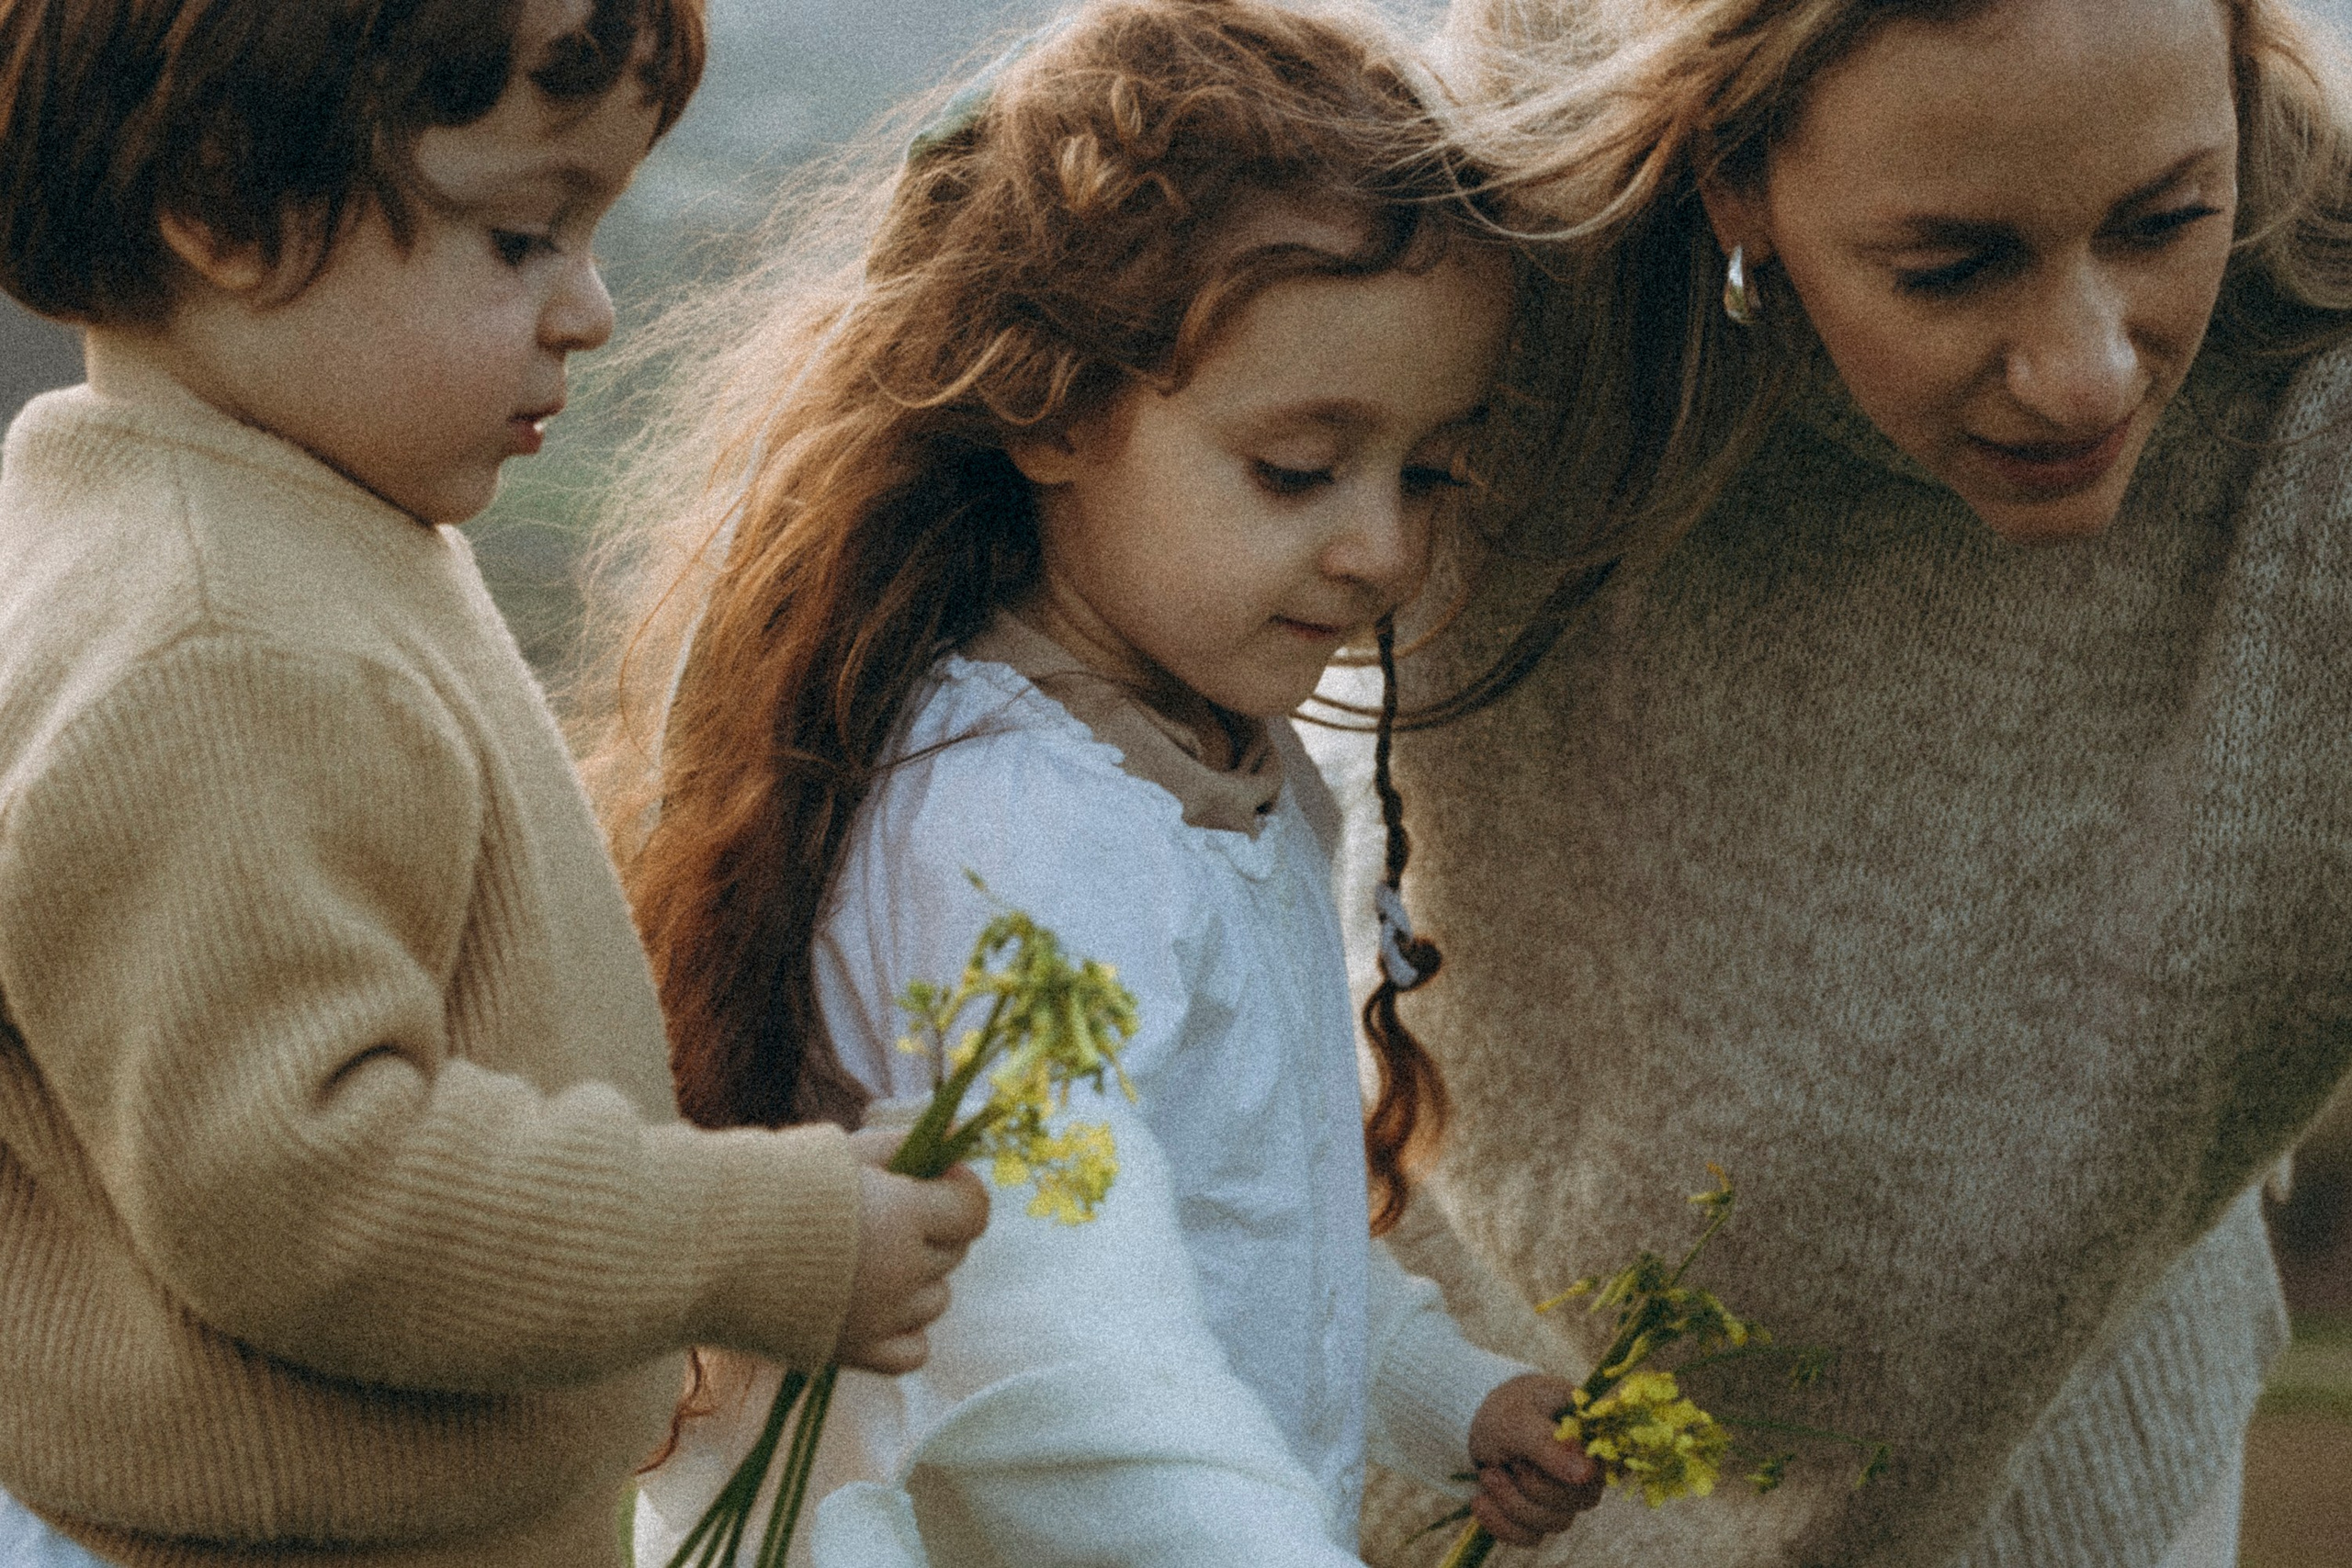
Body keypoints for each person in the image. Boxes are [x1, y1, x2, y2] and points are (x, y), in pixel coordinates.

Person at [1304, 0, 2352, 1562]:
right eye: (1953, 266)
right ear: (1731, 180)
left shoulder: (2312, 389)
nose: (2085, 374)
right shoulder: (1479, 260)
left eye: (2163, 221)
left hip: (2068, 1481)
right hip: (1460, 1417)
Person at [578, 2, 1611, 1562]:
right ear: (1056, 407)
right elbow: (1054, 1355)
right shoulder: (1016, 830)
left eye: (1427, 471)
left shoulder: (1233, 772)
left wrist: (1444, 1397)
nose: (1383, 548)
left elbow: (1250, 1229)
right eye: (1297, 469)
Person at [0, 2, 987, 1563]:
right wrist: (766, 1239)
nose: (587, 308)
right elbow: (309, 1187)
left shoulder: (264, 521)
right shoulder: (220, 646)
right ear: (228, 205)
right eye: (522, 239)